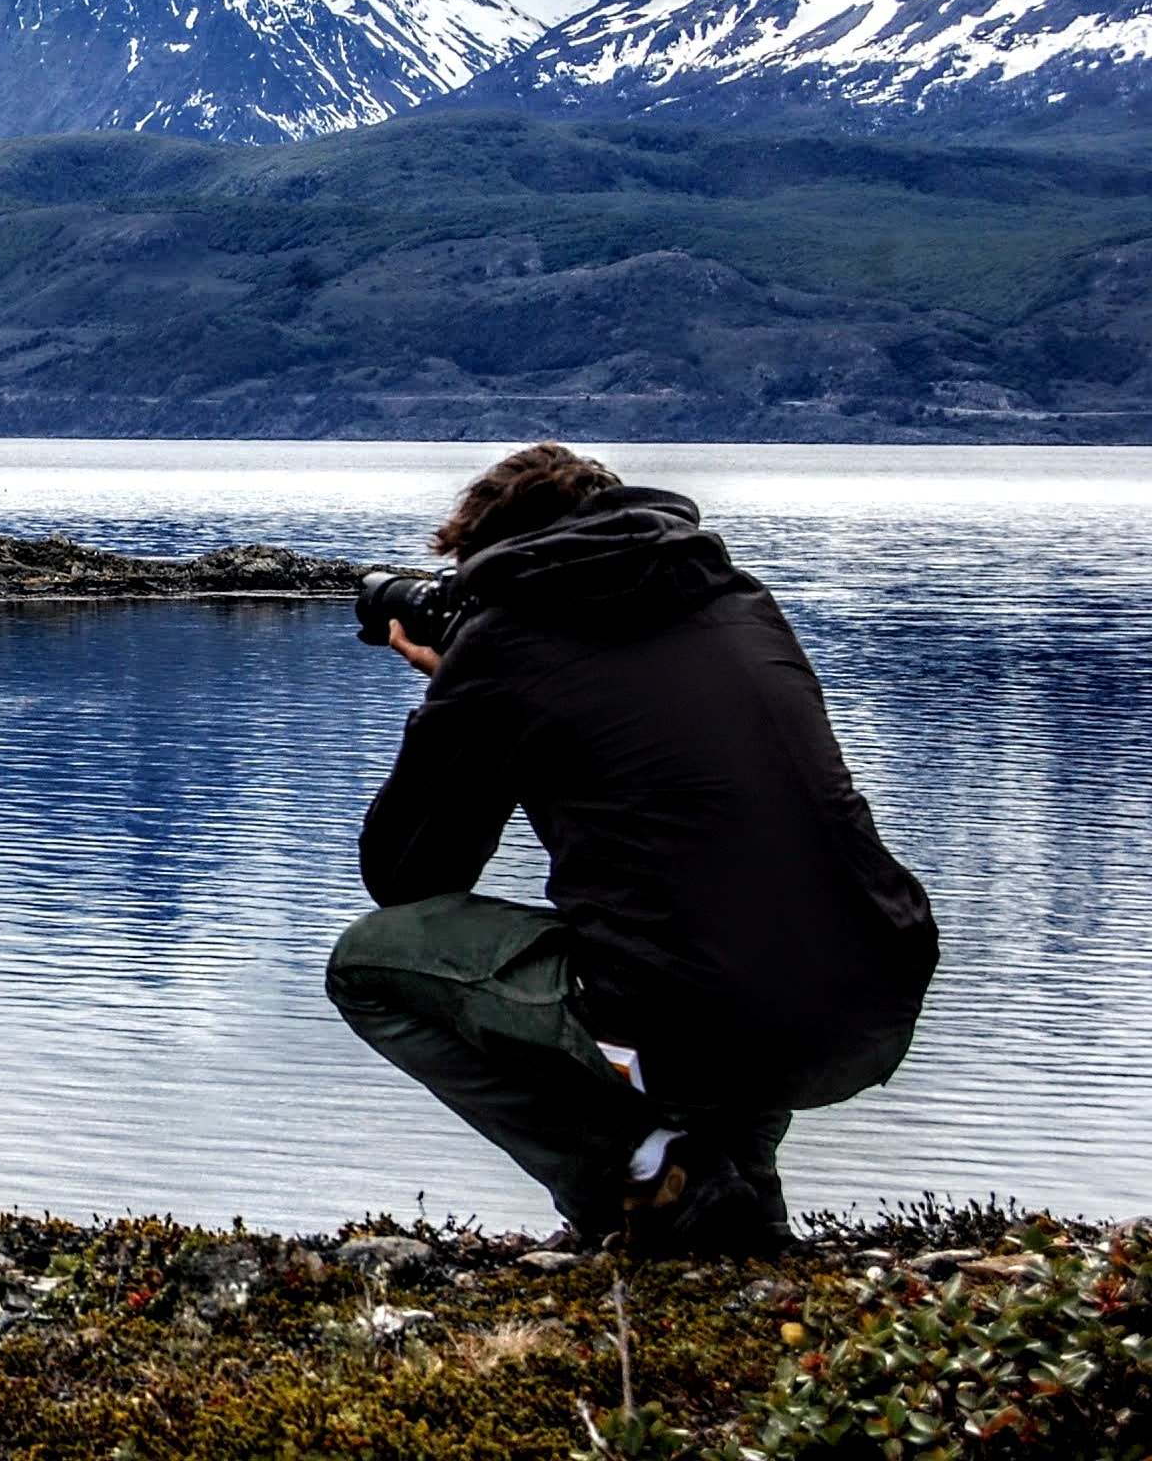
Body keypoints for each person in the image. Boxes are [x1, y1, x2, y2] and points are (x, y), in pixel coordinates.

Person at [326, 443, 939, 1256]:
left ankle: (638, 1179)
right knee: (735, 906)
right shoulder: (741, 603)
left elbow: (408, 880)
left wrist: (456, 695)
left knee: (369, 965)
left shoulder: (509, 639)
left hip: (703, 1017)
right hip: (873, 996)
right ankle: (740, 1195)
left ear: (498, 555)